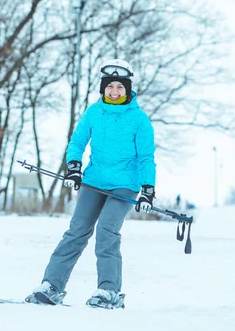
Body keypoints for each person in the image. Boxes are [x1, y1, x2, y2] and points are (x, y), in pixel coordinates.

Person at [25, 59, 157, 309]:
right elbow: (77, 142)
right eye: (110, 87)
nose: (115, 91)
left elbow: (146, 158)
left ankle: (109, 291)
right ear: (103, 88)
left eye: (120, 86)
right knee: (76, 231)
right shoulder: (93, 113)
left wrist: (148, 190)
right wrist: (74, 167)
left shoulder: (139, 119)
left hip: (125, 184)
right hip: (94, 180)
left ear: (127, 89)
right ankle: (51, 286)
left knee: (107, 230)